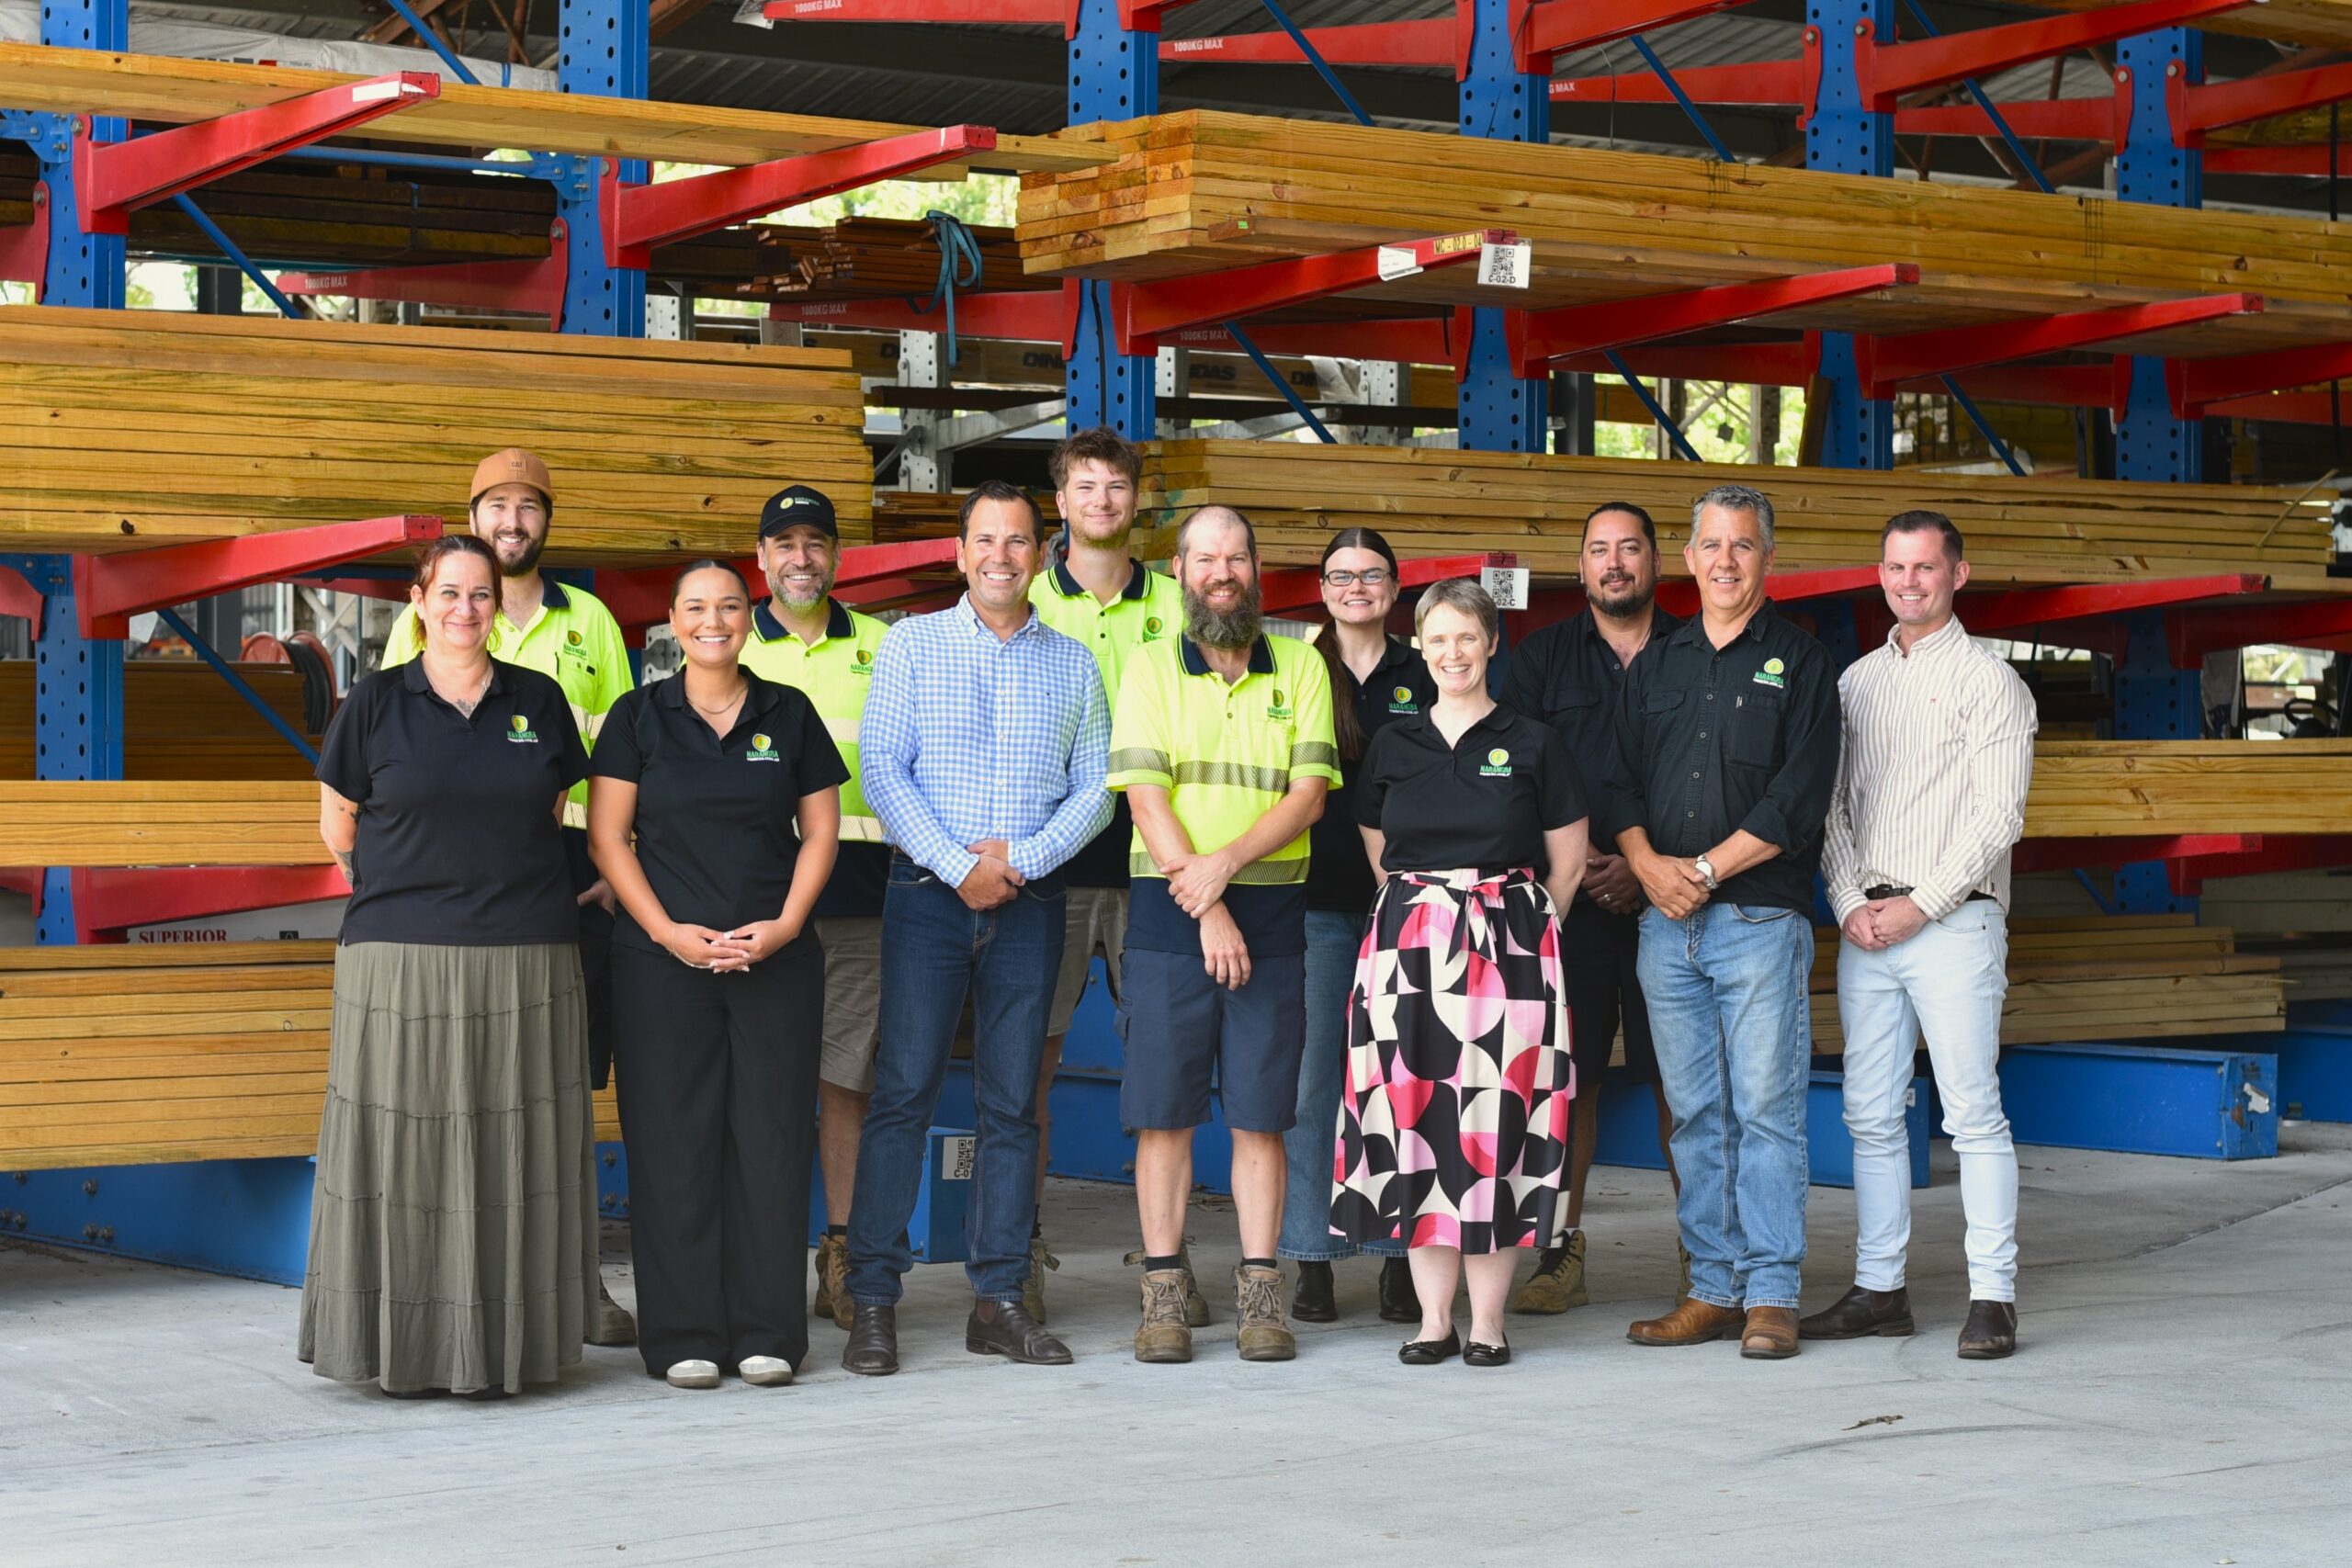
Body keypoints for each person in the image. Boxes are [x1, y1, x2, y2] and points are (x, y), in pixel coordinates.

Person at [305, 534, 598, 1397]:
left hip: (527, 955)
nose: (465, 608)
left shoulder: (538, 700)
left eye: (481, 594)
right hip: (399, 958)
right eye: (449, 592)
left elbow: (548, 810)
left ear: (496, 606)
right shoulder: (374, 701)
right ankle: (397, 1344)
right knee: (401, 1152)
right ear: (420, 602)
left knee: (516, 1151)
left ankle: (513, 1346)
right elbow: (338, 826)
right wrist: (416, 889)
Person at [841, 481, 1112, 1377]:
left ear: (1043, 554)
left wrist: (1020, 861)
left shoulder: (1074, 663)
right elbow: (883, 768)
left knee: (1011, 1102)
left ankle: (998, 1299)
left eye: (1018, 540)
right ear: (960, 554)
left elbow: (1095, 788)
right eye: (985, 540)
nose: (1001, 555)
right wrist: (958, 866)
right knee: (903, 1091)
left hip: (1031, 902)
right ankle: (872, 1299)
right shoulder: (911, 644)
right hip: (926, 896)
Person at [379, 446, 638, 1349]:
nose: (513, 521)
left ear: (547, 522)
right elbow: (387, 749)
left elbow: (622, 755)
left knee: (563, 1082)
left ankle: (575, 1278)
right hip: (454, 882)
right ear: (473, 518)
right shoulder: (424, 619)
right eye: (498, 505)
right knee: (457, 1085)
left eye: (529, 506)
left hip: (567, 875)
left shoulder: (590, 621)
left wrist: (615, 862)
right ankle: (461, 1278)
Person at [588, 561, 845, 1390]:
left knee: (770, 1140)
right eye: (696, 607)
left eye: (729, 606)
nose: (713, 620)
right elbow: (608, 838)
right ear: (672, 620)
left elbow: (821, 831)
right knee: (673, 1143)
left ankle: (768, 1330)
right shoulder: (638, 717)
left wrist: (787, 925)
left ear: (748, 616)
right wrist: (667, 933)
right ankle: (683, 1333)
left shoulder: (788, 711)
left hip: (776, 961)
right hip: (661, 965)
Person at [1604, 483, 1840, 1362]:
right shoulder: (1657, 664)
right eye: (1712, 544)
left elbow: (1798, 798)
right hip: (1666, 926)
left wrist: (1702, 871)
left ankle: (1771, 1293)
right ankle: (1712, 1285)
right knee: (1697, 1113)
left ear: (1768, 559)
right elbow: (1617, 781)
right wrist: (1645, 862)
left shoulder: (1801, 663)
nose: (1727, 560)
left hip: (1757, 918)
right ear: (1690, 558)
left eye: (1743, 545)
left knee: (1767, 1110)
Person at [1334, 579, 1589, 1368]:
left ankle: (1488, 1322)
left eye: (1467, 637)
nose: (1453, 653)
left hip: (1509, 954)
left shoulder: (1534, 741)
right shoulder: (1394, 744)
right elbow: (1382, 855)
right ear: (1421, 646)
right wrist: (1428, 920)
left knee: (1495, 1123)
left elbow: (1569, 863)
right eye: (1438, 638)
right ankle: (1433, 1320)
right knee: (1417, 1118)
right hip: (1410, 955)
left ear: (1491, 643)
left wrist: (1521, 937)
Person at [1106, 504, 1340, 1366]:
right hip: (1170, 916)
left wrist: (1227, 867)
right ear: (1179, 570)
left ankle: (1260, 1296)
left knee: (1260, 1115)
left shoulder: (1303, 664)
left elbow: (1307, 796)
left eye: (1235, 557)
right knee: (1162, 1115)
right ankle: (1164, 1296)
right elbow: (1146, 799)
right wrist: (1207, 903)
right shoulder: (1148, 667)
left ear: (1256, 567)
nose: (1221, 573)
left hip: (1271, 916)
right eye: (1205, 559)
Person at [1805, 511, 2035, 1360]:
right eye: (1896, 567)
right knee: (1870, 1113)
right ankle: (1881, 1289)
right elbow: (1831, 808)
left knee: (1972, 1112)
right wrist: (1846, 899)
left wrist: (1921, 904)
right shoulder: (1854, 683)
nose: (1910, 581)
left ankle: (1993, 1297)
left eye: (1926, 567)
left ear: (1957, 574)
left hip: (1954, 922)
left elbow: (1998, 817)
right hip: (1867, 925)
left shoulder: (1992, 682)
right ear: (1881, 574)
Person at [1497, 502, 1685, 1314]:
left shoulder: (1694, 650)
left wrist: (1646, 868)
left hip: (1676, 901)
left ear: (1655, 562)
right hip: (1569, 904)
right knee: (1566, 1085)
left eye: (1630, 548)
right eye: (1599, 550)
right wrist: (1578, 866)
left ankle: (1701, 1252)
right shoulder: (1541, 659)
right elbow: (1519, 778)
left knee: (1683, 1083)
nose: (1614, 563)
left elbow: (1708, 773)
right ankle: (1559, 1250)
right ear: (1580, 568)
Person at [1025, 426, 1191, 1326]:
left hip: (1155, 864)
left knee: (1162, 1063)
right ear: (1061, 503)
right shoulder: (1026, 598)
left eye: (1116, 487)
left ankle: (1166, 1258)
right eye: (1085, 487)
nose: (1101, 501)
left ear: (1136, 501)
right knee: (1032, 1058)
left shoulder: (1177, 602)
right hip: (1052, 862)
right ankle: (1021, 1247)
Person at [735, 485, 892, 1333]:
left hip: (861, 897)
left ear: (836, 555)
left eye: (816, 543)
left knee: (845, 1080)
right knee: (762, 1084)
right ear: (761, 557)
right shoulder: (726, 640)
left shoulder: (883, 645)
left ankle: (841, 1252)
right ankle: (759, 1258)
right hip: (753, 899)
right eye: (785, 543)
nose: (801, 558)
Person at [1285, 527, 1429, 1327]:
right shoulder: (1297, 668)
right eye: (1341, 575)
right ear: (1323, 588)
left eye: (1371, 574)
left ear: (1396, 587)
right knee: (1315, 1085)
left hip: (1407, 906)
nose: (1356, 587)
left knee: (1403, 1084)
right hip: (1313, 904)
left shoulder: (1426, 670)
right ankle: (1312, 1256)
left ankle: (1402, 1258)